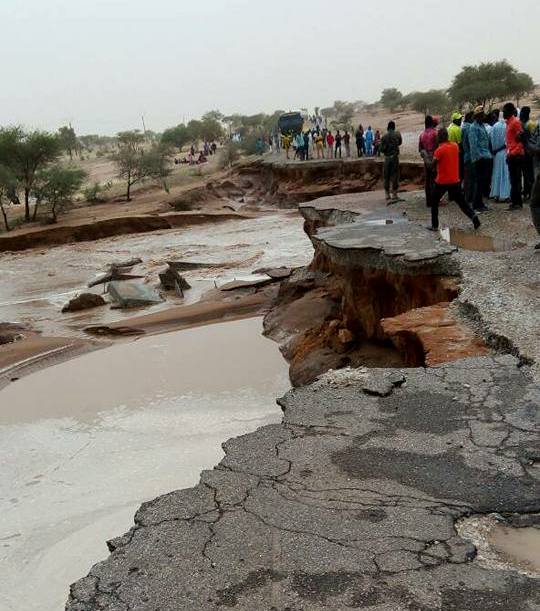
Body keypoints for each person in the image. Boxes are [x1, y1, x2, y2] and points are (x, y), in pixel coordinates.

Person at [429, 127, 480, 231]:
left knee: (434, 201)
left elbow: (432, 166)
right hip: (454, 180)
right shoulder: (455, 146)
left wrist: (425, 156)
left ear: (440, 137)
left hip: (442, 181)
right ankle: (474, 218)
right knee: (462, 203)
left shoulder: (439, 150)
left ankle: (434, 225)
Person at [468, 106, 491, 212]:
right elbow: (473, 145)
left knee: (482, 182)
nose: (483, 117)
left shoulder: (482, 126)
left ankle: (480, 203)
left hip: (485, 157)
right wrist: (479, 158)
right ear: (477, 116)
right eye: (481, 115)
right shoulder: (473, 128)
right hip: (479, 159)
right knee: (479, 181)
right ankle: (477, 204)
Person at [504, 102, 525, 210]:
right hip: (511, 155)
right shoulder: (508, 123)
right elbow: (510, 141)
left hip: (516, 156)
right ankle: (516, 202)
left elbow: (521, 140)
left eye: (505, 111)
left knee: (515, 180)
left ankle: (516, 203)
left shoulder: (515, 122)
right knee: (513, 179)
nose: (503, 113)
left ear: (511, 111)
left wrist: (513, 153)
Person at [489, 112, 511, 202]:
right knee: (505, 174)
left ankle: (496, 195)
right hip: (505, 152)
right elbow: (507, 142)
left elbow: (491, 139)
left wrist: (494, 150)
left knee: (497, 173)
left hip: (496, 154)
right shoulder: (507, 126)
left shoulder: (494, 126)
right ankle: (505, 195)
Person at [418, 115, 438, 208]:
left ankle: (428, 201)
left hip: (426, 160)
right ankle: (435, 200)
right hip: (434, 159)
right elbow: (439, 147)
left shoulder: (421, 134)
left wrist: (426, 156)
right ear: (432, 123)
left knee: (427, 181)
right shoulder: (435, 133)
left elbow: (420, 149)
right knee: (434, 180)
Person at [380, 121, 402, 202]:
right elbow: (400, 143)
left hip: (387, 158)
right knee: (395, 175)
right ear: (394, 127)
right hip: (395, 158)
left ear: (388, 127)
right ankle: (395, 194)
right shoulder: (397, 134)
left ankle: (387, 194)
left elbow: (381, 149)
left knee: (386, 175)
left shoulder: (384, 136)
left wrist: (386, 147)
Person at [520, 107, 535, 200]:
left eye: (522, 112)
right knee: (525, 174)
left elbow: (533, 138)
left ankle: (531, 193)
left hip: (528, 152)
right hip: (523, 152)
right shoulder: (523, 124)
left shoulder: (530, 124)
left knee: (529, 174)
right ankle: (526, 192)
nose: (520, 114)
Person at [461, 112, 474, 204]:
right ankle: (469, 197)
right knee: (470, 178)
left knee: (467, 177)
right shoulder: (469, 128)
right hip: (470, 155)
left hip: (466, 155)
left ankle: (467, 196)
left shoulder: (463, 127)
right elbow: (471, 143)